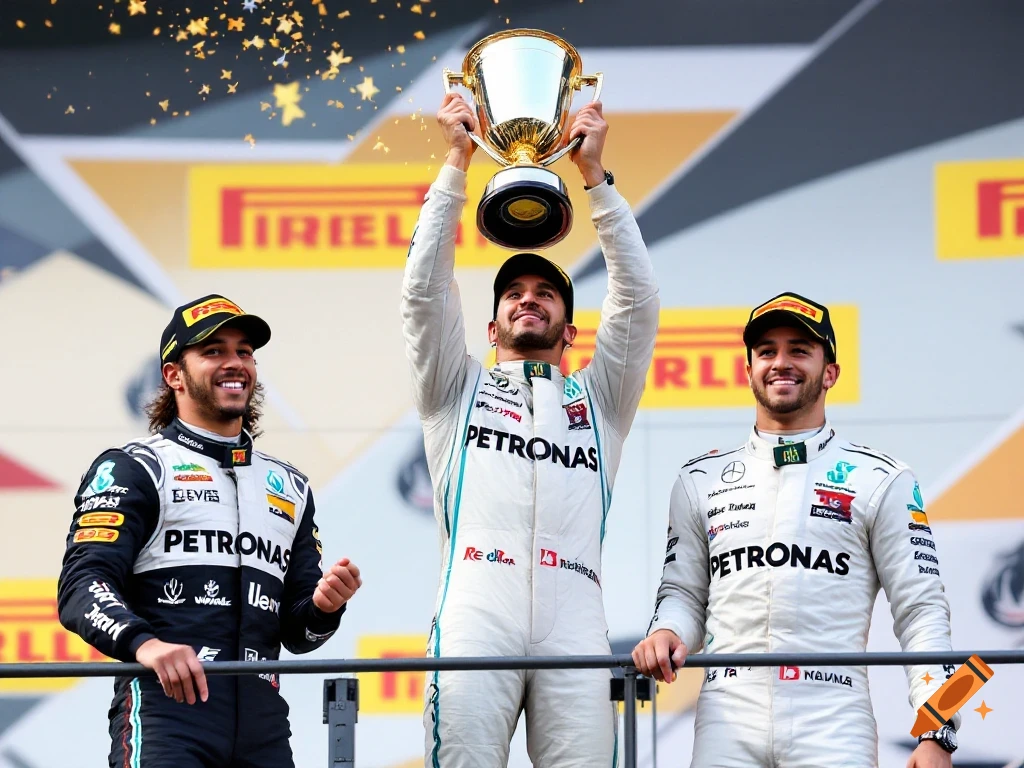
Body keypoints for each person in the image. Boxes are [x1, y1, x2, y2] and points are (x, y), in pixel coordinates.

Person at [402, 93, 659, 767]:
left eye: (545, 294)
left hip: (574, 625)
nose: (527, 299)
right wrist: (457, 163)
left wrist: (596, 178)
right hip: (474, 619)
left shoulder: (601, 400)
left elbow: (638, 298)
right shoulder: (454, 389)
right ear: (491, 329)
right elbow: (424, 295)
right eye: (513, 294)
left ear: (571, 330)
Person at [632, 292, 960, 768]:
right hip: (727, 716)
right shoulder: (698, 480)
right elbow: (683, 595)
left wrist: (938, 733)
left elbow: (923, 612)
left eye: (799, 350)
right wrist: (665, 630)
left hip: (833, 716)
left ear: (830, 372)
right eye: (766, 351)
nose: (780, 362)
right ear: (748, 370)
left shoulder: (882, 478)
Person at [57, 294, 362, 768]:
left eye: (244, 351)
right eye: (213, 351)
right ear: (174, 375)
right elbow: (81, 586)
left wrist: (324, 607)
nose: (234, 363)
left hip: (263, 723)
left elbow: (298, 635)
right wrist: (147, 645)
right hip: (168, 714)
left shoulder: (290, 486)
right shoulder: (135, 468)